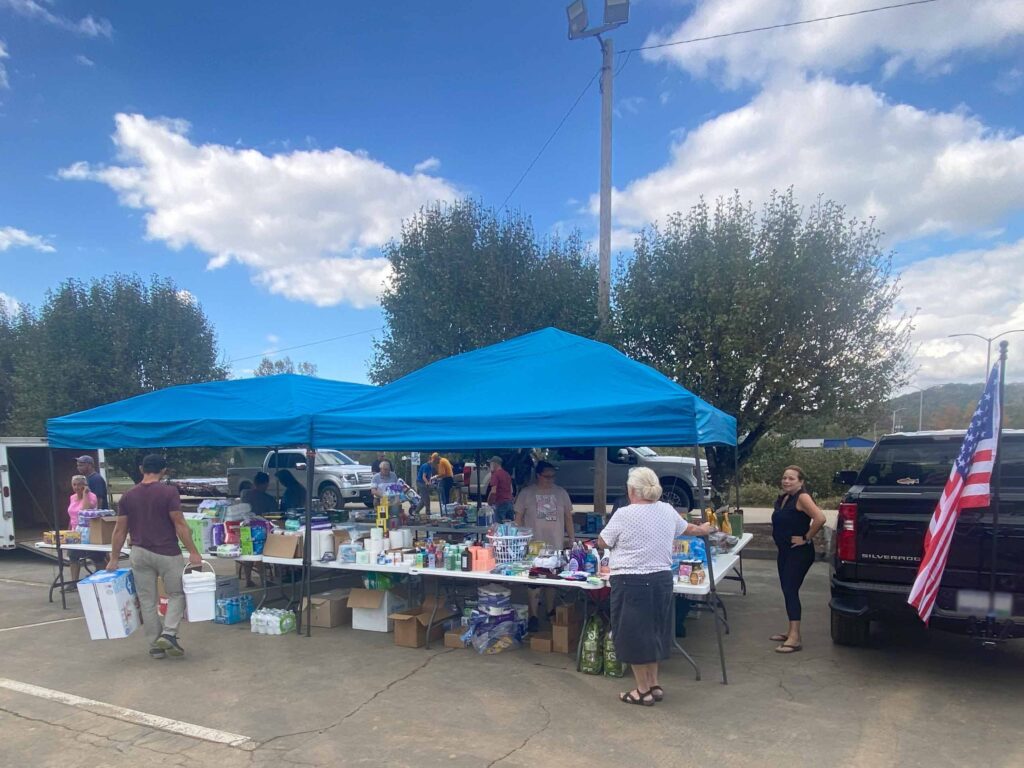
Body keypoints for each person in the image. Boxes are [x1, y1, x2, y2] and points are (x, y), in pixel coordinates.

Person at [598, 467, 712, 705]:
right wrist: (703, 529)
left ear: (632, 490)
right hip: (661, 579)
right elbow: (688, 529)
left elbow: (603, 541)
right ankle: (654, 683)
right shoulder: (667, 510)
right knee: (655, 632)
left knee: (633, 635)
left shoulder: (624, 514)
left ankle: (642, 690)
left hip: (631, 581)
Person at [107, 454, 202, 659]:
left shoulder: (128, 496)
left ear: (142, 469)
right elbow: (179, 524)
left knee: (147, 600)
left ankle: (155, 646)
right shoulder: (169, 493)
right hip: (167, 552)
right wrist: (193, 551)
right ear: (164, 471)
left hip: (139, 552)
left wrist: (114, 558)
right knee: (176, 594)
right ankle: (168, 634)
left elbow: (119, 530)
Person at [771, 465, 826, 654]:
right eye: (784, 478)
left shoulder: (803, 497)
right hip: (785, 551)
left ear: (801, 482)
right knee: (787, 590)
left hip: (799, 553)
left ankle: (795, 638)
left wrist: (806, 537)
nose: (786, 481)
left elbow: (820, 518)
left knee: (790, 590)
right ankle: (790, 631)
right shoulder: (785, 497)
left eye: (791, 479)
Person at [514, 460, 575, 629]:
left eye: (553, 476)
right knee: (534, 581)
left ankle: (550, 611)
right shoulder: (526, 493)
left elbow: (568, 517)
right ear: (538, 475)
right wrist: (517, 541)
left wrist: (571, 538)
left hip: (555, 544)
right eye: (547, 476)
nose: (550, 480)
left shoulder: (561, 493)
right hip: (533, 546)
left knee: (552, 580)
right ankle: (533, 615)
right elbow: (517, 519)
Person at [238, 471, 275, 586]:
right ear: (266, 484)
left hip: (245, 527)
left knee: (248, 554)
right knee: (260, 554)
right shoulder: (268, 499)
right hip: (260, 529)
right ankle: (263, 580)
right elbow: (274, 513)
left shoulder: (245, 495)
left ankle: (248, 580)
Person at [66, 474, 100, 584]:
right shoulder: (72, 497)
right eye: (74, 484)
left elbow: (84, 511)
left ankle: (101, 578)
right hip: (75, 531)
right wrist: (68, 530)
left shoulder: (92, 496)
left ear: (84, 485)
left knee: (96, 556)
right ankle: (73, 582)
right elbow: (71, 515)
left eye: (79, 484)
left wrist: (85, 494)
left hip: (88, 530)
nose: (76, 487)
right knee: (73, 556)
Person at [486, 456, 514, 522]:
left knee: (500, 526)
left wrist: (489, 502)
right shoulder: (507, 474)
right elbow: (511, 490)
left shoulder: (495, 475)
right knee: (510, 525)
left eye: (490, 464)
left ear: (494, 464)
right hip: (510, 503)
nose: (490, 466)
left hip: (501, 503)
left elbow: (493, 492)